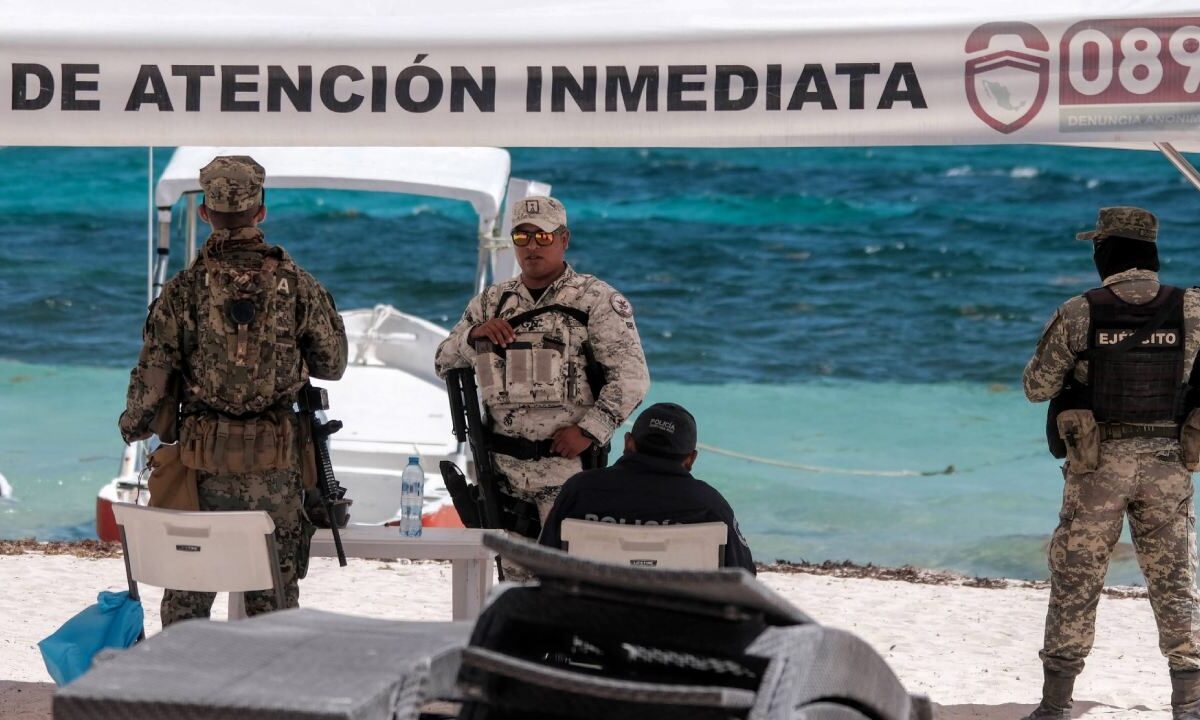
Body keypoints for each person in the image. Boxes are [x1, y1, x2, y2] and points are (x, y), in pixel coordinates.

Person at [119, 155, 347, 626]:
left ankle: (185, 678)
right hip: (276, 470)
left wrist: (134, 425)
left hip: (201, 469)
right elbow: (333, 364)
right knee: (273, 608)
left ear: (205, 213)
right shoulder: (298, 285)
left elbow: (153, 375)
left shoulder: (182, 290)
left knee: (188, 604)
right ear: (261, 211)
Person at [1023, 207, 1200, 720]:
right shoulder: (1193, 307)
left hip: (1097, 467)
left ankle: (1056, 706)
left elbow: (1036, 388)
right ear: (1150, 252)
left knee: (1076, 580)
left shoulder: (1080, 311)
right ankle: (1190, 704)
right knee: (1176, 581)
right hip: (1170, 463)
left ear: (1106, 250)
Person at [435, 195, 650, 525]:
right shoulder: (491, 303)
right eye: (522, 236)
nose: (532, 246)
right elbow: (443, 362)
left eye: (543, 236)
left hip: (568, 476)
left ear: (564, 239)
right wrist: (473, 336)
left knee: (565, 559)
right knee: (507, 560)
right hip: (501, 479)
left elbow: (631, 379)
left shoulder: (594, 300)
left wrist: (589, 431)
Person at [538, 402, 755, 574]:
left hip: (590, 615)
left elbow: (544, 563)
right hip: (679, 617)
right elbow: (743, 575)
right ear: (691, 459)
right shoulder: (709, 505)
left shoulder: (580, 490)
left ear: (628, 443)